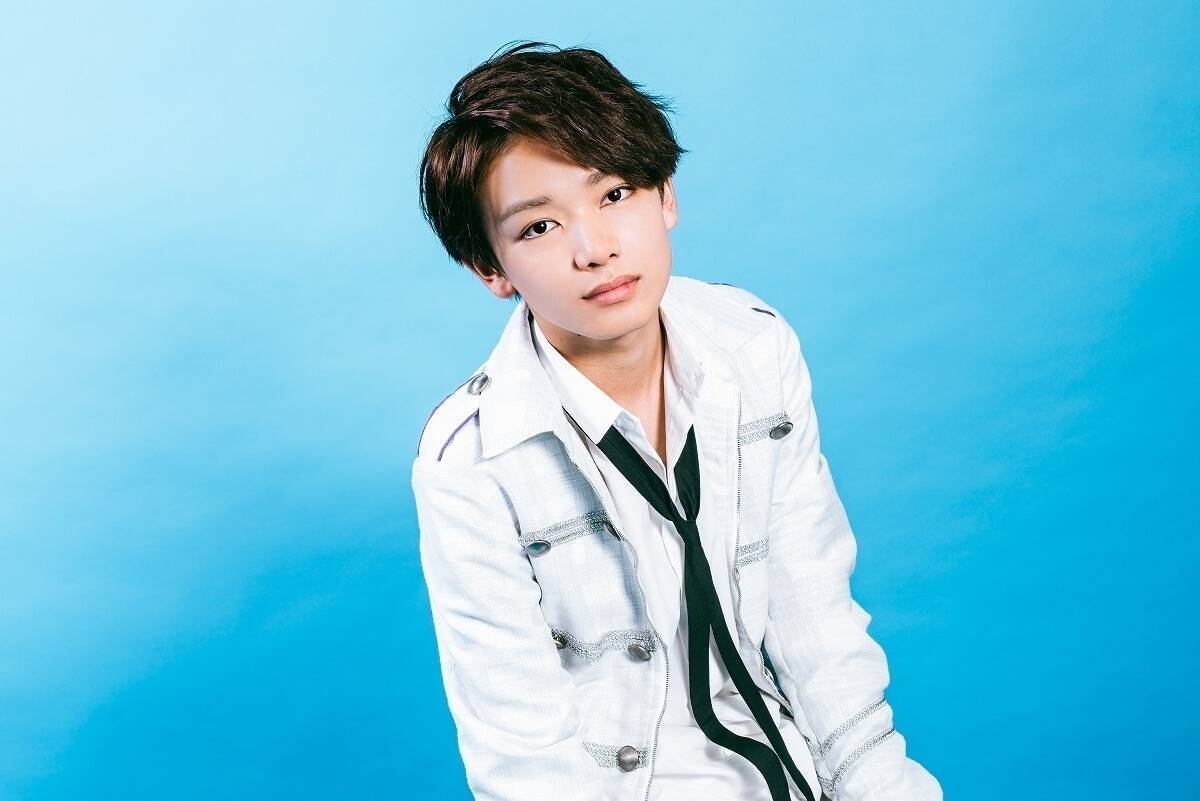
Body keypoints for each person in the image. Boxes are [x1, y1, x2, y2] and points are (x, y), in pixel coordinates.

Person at [411, 40, 942, 801]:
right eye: (539, 228)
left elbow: (817, 626)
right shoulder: (471, 459)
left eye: (614, 193)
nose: (595, 248)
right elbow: (523, 756)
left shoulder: (752, 345)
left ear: (666, 195)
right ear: (490, 269)